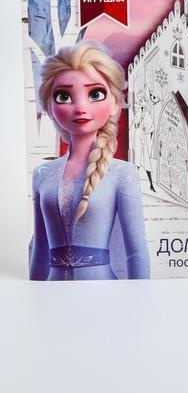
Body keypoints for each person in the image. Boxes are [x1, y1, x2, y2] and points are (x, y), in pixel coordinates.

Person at [29, 41, 150, 280]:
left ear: (115, 103)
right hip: (52, 293)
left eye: (95, 94)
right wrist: (30, 295)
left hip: (103, 291)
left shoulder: (122, 174)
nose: (81, 107)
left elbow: (136, 252)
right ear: (49, 107)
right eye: (63, 96)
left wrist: (140, 297)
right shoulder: (42, 174)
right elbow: (40, 250)